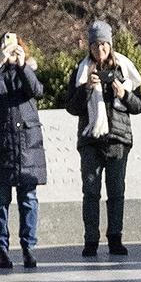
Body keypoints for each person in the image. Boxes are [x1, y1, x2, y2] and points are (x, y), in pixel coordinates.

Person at [65, 21, 141, 257]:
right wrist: (87, 89)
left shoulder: (123, 69)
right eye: (94, 45)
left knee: (116, 191)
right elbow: (71, 107)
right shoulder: (82, 71)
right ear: (89, 47)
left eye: (103, 45)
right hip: (90, 139)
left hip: (118, 138)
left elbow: (140, 105)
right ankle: (91, 239)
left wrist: (124, 93)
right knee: (90, 190)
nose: (99, 50)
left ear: (110, 45)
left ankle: (115, 238)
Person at [0, 34, 45, 269]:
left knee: (29, 200)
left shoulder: (28, 70)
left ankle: (28, 247)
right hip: (3, 146)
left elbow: (37, 91)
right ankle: (1, 249)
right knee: (0, 201)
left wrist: (21, 65)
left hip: (28, 146)